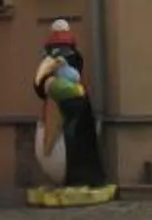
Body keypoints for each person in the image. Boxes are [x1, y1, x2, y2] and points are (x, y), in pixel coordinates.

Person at [32, 17, 112, 199]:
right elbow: (39, 85)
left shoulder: (73, 75)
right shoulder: (54, 78)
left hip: (74, 112)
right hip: (60, 108)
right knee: (60, 139)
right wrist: (47, 85)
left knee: (77, 142)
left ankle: (79, 178)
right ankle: (66, 178)